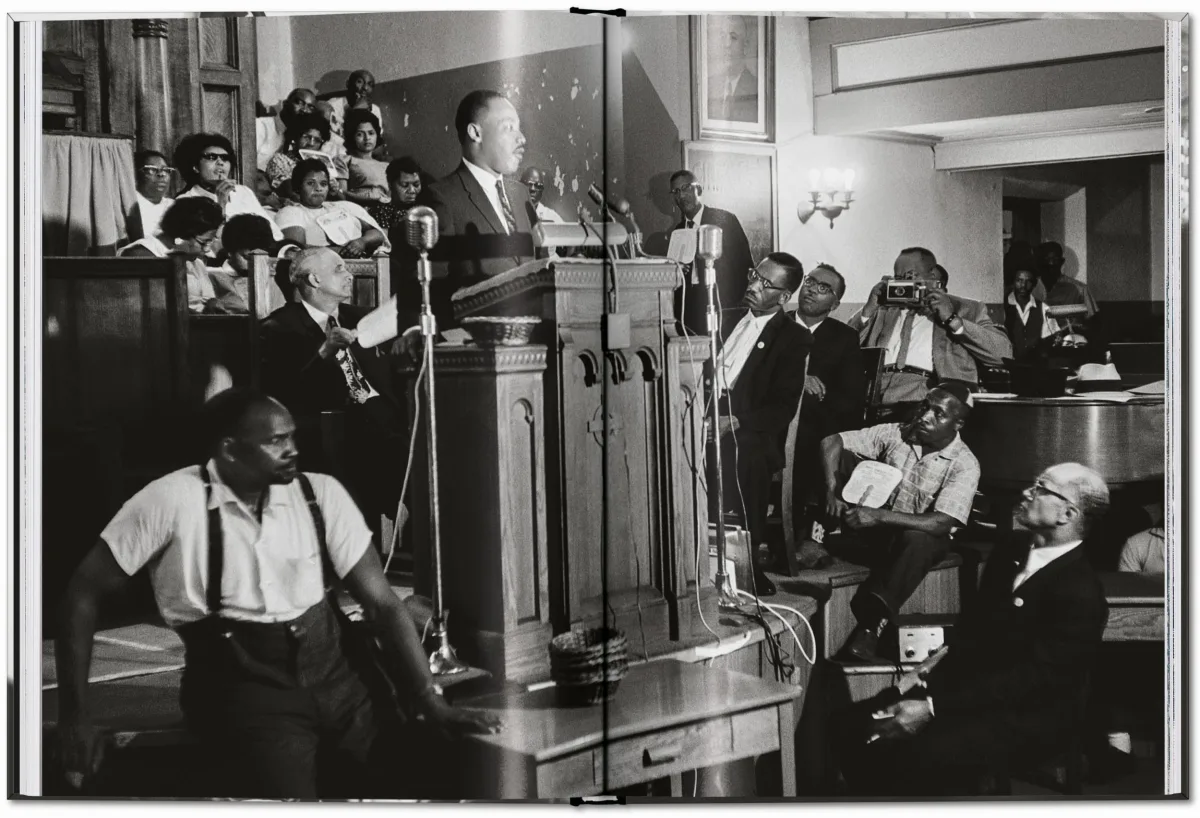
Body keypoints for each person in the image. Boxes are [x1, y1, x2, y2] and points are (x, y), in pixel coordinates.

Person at [54, 388, 499, 799]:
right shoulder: (169, 500)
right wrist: (75, 716)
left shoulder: (320, 494)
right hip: (241, 687)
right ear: (230, 449)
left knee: (419, 776)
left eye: (293, 437)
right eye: (276, 441)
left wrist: (428, 698)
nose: (293, 449)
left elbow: (383, 604)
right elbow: (81, 594)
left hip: (341, 676)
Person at [835, 463, 1110, 796]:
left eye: (1041, 488)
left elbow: (1032, 680)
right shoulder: (1010, 549)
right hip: (969, 695)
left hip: (1027, 715)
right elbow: (974, 630)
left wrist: (933, 708)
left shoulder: (1081, 592)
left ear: (1067, 514)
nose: (1027, 492)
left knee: (917, 756)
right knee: (851, 725)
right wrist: (926, 673)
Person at [820, 382, 981, 661]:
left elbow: (941, 522)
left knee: (919, 538)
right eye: (925, 407)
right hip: (873, 534)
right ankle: (817, 540)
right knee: (838, 461)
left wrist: (879, 516)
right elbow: (830, 441)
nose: (925, 417)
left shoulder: (965, 464)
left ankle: (871, 625)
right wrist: (832, 491)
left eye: (939, 414)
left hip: (915, 541)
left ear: (958, 424)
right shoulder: (897, 433)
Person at [260, 248, 404, 525]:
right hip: (330, 432)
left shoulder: (364, 318)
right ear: (314, 279)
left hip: (386, 425)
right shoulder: (278, 327)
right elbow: (283, 392)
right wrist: (325, 352)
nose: (350, 275)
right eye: (339, 269)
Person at [393, 89, 535, 343]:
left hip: (534, 340)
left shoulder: (521, 195)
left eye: (519, 128)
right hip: (475, 346)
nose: (521, 138)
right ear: (475, 133)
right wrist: (419, 332)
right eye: (508, 128)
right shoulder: (442, 197)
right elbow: (424, 285)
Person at [711, 252, 811, 596]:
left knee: (748, 454)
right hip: (704, 413)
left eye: (765, 284)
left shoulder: (793, 338)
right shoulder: (723, 318)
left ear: (783, 297)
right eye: (755, 275)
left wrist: (734, 421)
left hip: (748, 427)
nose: (753, 285)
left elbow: (782, 408)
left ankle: (747, 562)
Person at [852, 247, 1011, 422]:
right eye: (898, 278)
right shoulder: (884, 308)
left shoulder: (966, 309)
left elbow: (1003, 354)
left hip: (930, 403)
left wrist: (953, 320)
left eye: (910, 276)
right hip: (874, 399)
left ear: (932, 276)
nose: (903, 283)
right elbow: (842, 346)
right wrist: (868, 310)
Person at [786, 263, 865, 568]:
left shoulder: (844, 338)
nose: (811, 290)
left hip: (818, 425)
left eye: (823, 288)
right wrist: (797, 379)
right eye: (810, 282)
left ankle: (810, 536)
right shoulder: (775, 326)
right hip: (774, 419)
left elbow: (849, 398)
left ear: (835, 303)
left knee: (817, 439)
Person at [670, 169, 754, 337]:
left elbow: (745, 265)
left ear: (699, 190)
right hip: (689, 313)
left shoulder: (725, 220)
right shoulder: (677, 231)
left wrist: (734, 307)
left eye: (686, 188)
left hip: (723, 309)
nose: (681, 195)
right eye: (676, 191)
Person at [174, 133, 284, 251]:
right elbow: (197, 248)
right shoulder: (185, 201)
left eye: (225, 158)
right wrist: (220, 207)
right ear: (195, 166)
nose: (220, 162)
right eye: (211, 157)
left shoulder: (243, 192)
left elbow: (275, 235)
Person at [117, 197, 224, 313]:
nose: (207, 250)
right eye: (203, 242)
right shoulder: (141, 256)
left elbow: (208, 299)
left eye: (210, 242)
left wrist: (212, 303)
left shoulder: (196, 263)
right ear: (181, 234)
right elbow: (145, 308)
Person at [275, 159, 390, 258]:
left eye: (323, 184)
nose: (318, 188)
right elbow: (296, 251)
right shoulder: (291, 212)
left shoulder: (344, 206)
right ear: (298, 187)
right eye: (310, 183)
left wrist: (362, 242)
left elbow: (378, 234)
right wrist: (342, 251)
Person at [206, 213, 281, 314]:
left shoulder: (274, 276)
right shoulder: (213, 276)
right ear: (229, 252)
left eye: (261, 257)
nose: (254, 263)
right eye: (246, 257)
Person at [263, 112, 338, 202]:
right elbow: (287, 190)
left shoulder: (322, 163)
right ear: (296, 136)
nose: (311, 143)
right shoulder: (279, 160)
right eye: (307, 137)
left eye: (317, 140)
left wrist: (333, 189)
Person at [707, 15, 758, 123]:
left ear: (745, 45)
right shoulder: (709, 85)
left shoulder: (756, 88)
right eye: (723, 37)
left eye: (733, 38)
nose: (727, 45)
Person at [1005, 265, 1062, 361]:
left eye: (1028, 281)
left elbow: (1051, 339)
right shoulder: (1003, 306)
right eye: (1019, 280)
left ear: (1034, 284)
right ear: (1013, 282)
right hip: (1008, 364)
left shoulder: (1043, 308)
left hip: (1036, 364)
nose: (1023, 285)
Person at [255, 87, 316, 171]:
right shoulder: (260, 125)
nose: (304, 110)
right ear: (285, 103)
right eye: (299, 103)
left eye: (310, 107)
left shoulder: (299, 138)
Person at [1034, 241, 1098, 318]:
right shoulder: (1031, 287)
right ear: (1040, 262)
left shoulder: (1081, 290)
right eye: (1046, 259)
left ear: (1062, 261)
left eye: (1055, 259)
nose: (1051, 263)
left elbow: (1093, 321)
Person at [342, 109, 392, 208]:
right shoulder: (345, 160)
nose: (367, 138)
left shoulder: (387, 166)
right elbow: (341, 194)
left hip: (386, 210)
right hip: (357, 209)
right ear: (352, 137)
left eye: (371, 133)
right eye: (360, 134)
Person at [126, 149, 175, 242]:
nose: (161, 174)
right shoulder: (130, 205)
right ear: (136, 175)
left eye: (166, 170)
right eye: (151, 170)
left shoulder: (174, 206)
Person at [368, 156, 424, 233]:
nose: (412, 190)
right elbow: (383, 238)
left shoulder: (425, 208)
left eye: (416, 185)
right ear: (390, 185)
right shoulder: (382, 211)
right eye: (404, 185)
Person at [327, 69, 384, 141]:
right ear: (348, 84)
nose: (365, 88)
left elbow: (376, 139)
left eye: (370, 84)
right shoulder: (333, 104)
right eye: (360, 82)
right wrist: (356, 110)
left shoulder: (375, 109)